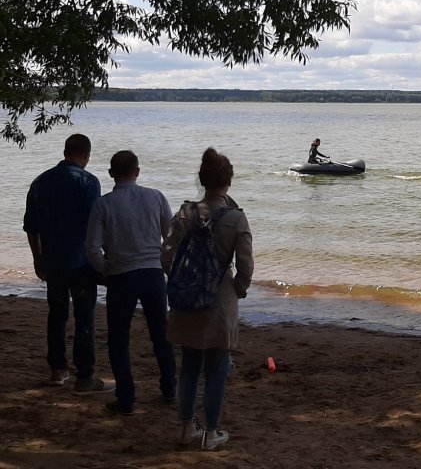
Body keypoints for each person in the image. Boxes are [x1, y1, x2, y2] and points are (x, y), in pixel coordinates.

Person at [162, 148, 253, 450]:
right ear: (228, 182)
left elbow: (166, 256)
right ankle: (212, 432)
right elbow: (246, 266)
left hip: (187, 299)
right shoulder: (236, 219)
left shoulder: (186, 213)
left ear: (202, 180)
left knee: (189, 365)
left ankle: (186, 428)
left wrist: (181, 281)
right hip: (220, 300)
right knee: (217, 368)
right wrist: (238, 288)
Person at [85, 150, 176, 415]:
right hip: (151, 273)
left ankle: (126, 398)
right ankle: (169, 388)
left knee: (118, 338)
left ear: (111, 173)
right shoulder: (155, 197)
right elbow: (170, 238)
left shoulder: (103, 204)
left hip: (121, 275)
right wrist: (165, 264)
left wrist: (105, 269)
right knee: (161, 334)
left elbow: (91, 248)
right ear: (137, 172)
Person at [23, 133, 112, 394]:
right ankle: (84, 376)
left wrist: (37, 259)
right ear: (86, 154)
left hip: (53, 261)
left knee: (57, 314)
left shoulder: (40, 182)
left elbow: (31, 227)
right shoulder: (88, 182)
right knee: (84, 317)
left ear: (65, 152)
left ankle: (57, 369)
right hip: (81, 262)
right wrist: (107, 258)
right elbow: (94, 225)